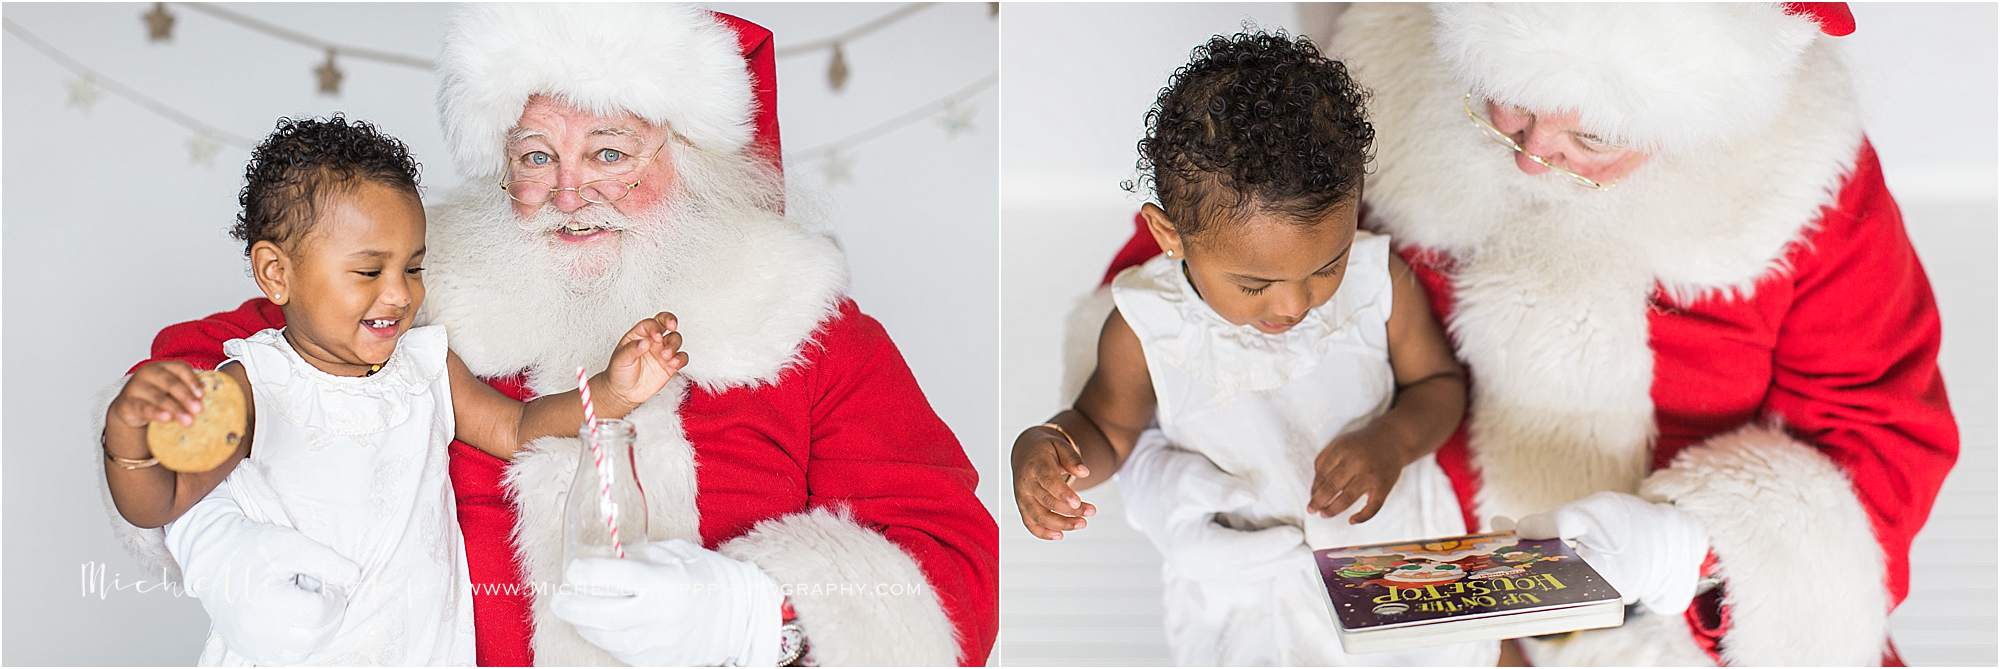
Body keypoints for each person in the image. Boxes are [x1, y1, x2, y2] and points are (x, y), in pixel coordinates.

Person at [94, 5, 996, 665]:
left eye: (609, 151)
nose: (569, 195)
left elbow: (951, 567)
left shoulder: (804, 326)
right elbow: (212, 368)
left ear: (694, 157)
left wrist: (761, 620)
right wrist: (226, 544)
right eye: (535, 156)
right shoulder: (416, 293)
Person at [1091, 3, 1956, 665]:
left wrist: (1695, 547)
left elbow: (1881, 429)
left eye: (1594, 133)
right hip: (1404, 590)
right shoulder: (1371, 84)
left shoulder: (1800, 185)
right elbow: (1190, 272)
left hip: (1675, 620)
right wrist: (1152, 466)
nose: (1534, 157)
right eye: (1503, 104)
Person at [102, 115, 683, 665]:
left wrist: (611, 392)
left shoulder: (424, 365)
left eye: (412, 267)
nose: (400, 294)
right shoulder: (256, 383)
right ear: (276, 274)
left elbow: (516, 429)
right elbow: (160, 502)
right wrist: (129, 435)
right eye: (368, 271)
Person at [1013, 31, 1493, 666]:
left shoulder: (1380, 281)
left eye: (1327, 264)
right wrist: (1050, 448)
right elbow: (1107, 428)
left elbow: (1439, 385)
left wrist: (1393, 441)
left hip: (1390, 552)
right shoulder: (1146, 324)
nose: (1294, 305)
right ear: (1169, 235)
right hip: (1248, 584)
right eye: (1254, 284)